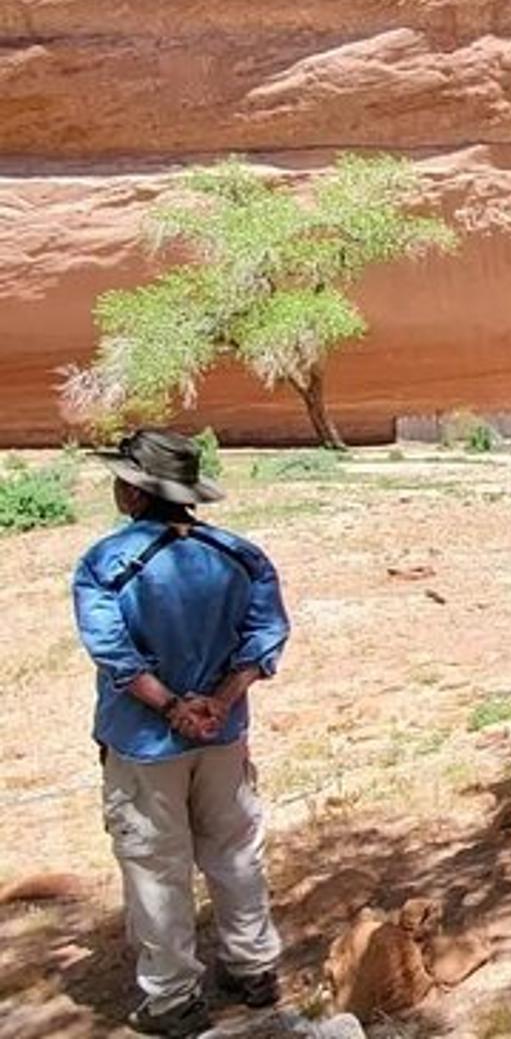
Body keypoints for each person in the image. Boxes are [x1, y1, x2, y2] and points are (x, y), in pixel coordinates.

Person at [72, 429, 290, 1037]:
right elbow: (265, 637)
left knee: (155, 864)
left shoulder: (105, 564)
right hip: (223, 737)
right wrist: (219, 702)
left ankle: (172, 997)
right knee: (235, 851)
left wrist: (172, 707)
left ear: (136, 492)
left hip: (145, 746)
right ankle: (253, 968)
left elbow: (114, 653)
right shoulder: (241, 557)